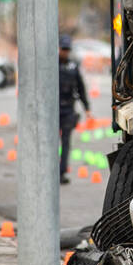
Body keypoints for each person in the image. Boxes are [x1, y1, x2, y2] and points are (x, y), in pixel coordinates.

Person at [58, 35, 92, 184]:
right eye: (63, 49)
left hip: (68, 109)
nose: (65, 52)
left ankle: (62, 172)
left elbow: (81, 88)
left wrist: (87, 108)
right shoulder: (51, 66)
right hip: (53, 110)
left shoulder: (73, 67)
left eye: (67, 49)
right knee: (50, 143)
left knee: (66, 142)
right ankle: (50, 171)